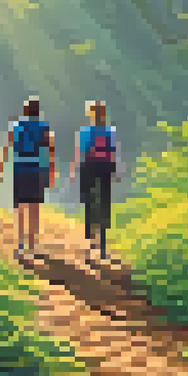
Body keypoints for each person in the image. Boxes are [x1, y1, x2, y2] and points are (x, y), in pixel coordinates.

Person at [0, 96, 56, 261]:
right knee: (34, 208)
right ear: (38, 112)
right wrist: (50, 172)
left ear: (24, 111)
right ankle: (33, 244)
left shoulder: (16, 127)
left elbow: (6, 147)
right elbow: (49, 152)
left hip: (20, 169)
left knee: (20, 208)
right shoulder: (44, 128)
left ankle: (20, 244)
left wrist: (1, 168)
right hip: (37, 169)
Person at [70, 100, 121, 262]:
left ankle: (91, 241)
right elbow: (113, 152)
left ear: (91, 114)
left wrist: (75, 170)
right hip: (105, 167)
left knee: (88, 203)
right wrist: (115, 170)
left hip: (89, 167)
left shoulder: (85, 132)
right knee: (104, 202)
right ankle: (103, 245)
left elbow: (80, 153)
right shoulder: (109, 131)